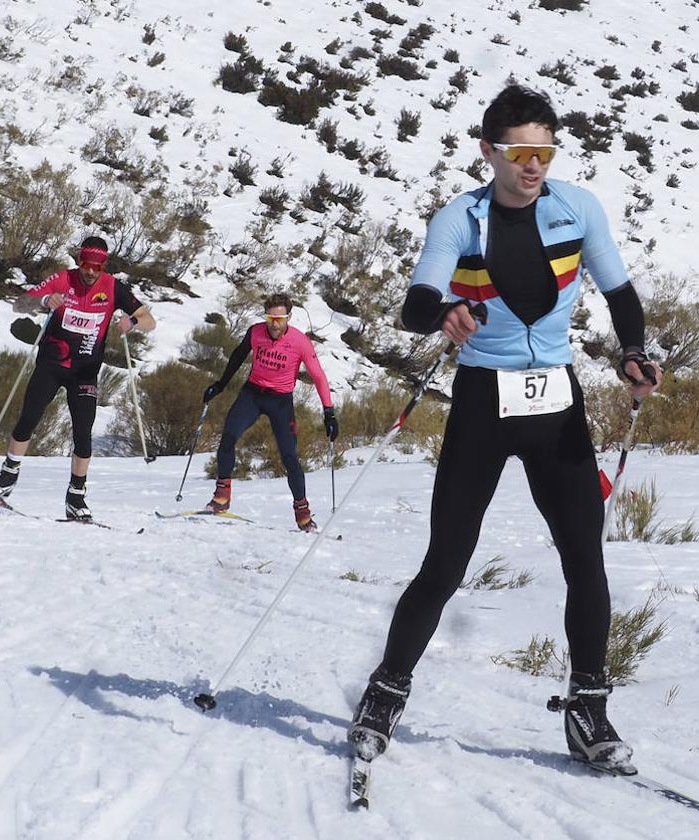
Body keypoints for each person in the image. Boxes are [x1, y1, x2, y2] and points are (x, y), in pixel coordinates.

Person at [348, 85, 663, 773]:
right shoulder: (461, 218)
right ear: (489, 151)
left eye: (546, 152)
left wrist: (635, 352)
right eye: (521, 152)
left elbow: (619, 293)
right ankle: (384, 692)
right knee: (447, 563)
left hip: (556, 405)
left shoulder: (578, 208)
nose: (534, 165)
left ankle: (589, 709)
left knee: (585, 557)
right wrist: (443, 317)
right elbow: (417, 301)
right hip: (484, 404)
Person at [0, 236, 155, 520]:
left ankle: (76, 497)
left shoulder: (113, 287)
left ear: (104, 266)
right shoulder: (63, 279)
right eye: (86, 264)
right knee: (29, 416)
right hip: (52, 364)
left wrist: (132, 322)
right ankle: (7, 476)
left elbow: (149, 320)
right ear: (79, 261)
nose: (90, 271)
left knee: (83, 434)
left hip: (85, 372)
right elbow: (19, 304)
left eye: (97, 267)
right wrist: (43, 301)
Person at [201, 292, 338, 532]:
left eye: (280, 319)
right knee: (228, 437)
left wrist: (329, 412)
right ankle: (222, 496)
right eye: (270, 318)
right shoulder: (255, 332)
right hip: (252, 394)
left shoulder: (299, 342)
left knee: (289, 457)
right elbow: (238, 355)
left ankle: (303, 513)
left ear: (289, 318)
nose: (275, 324)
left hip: (280, 401)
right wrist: (221, 384)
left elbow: (318, 375)